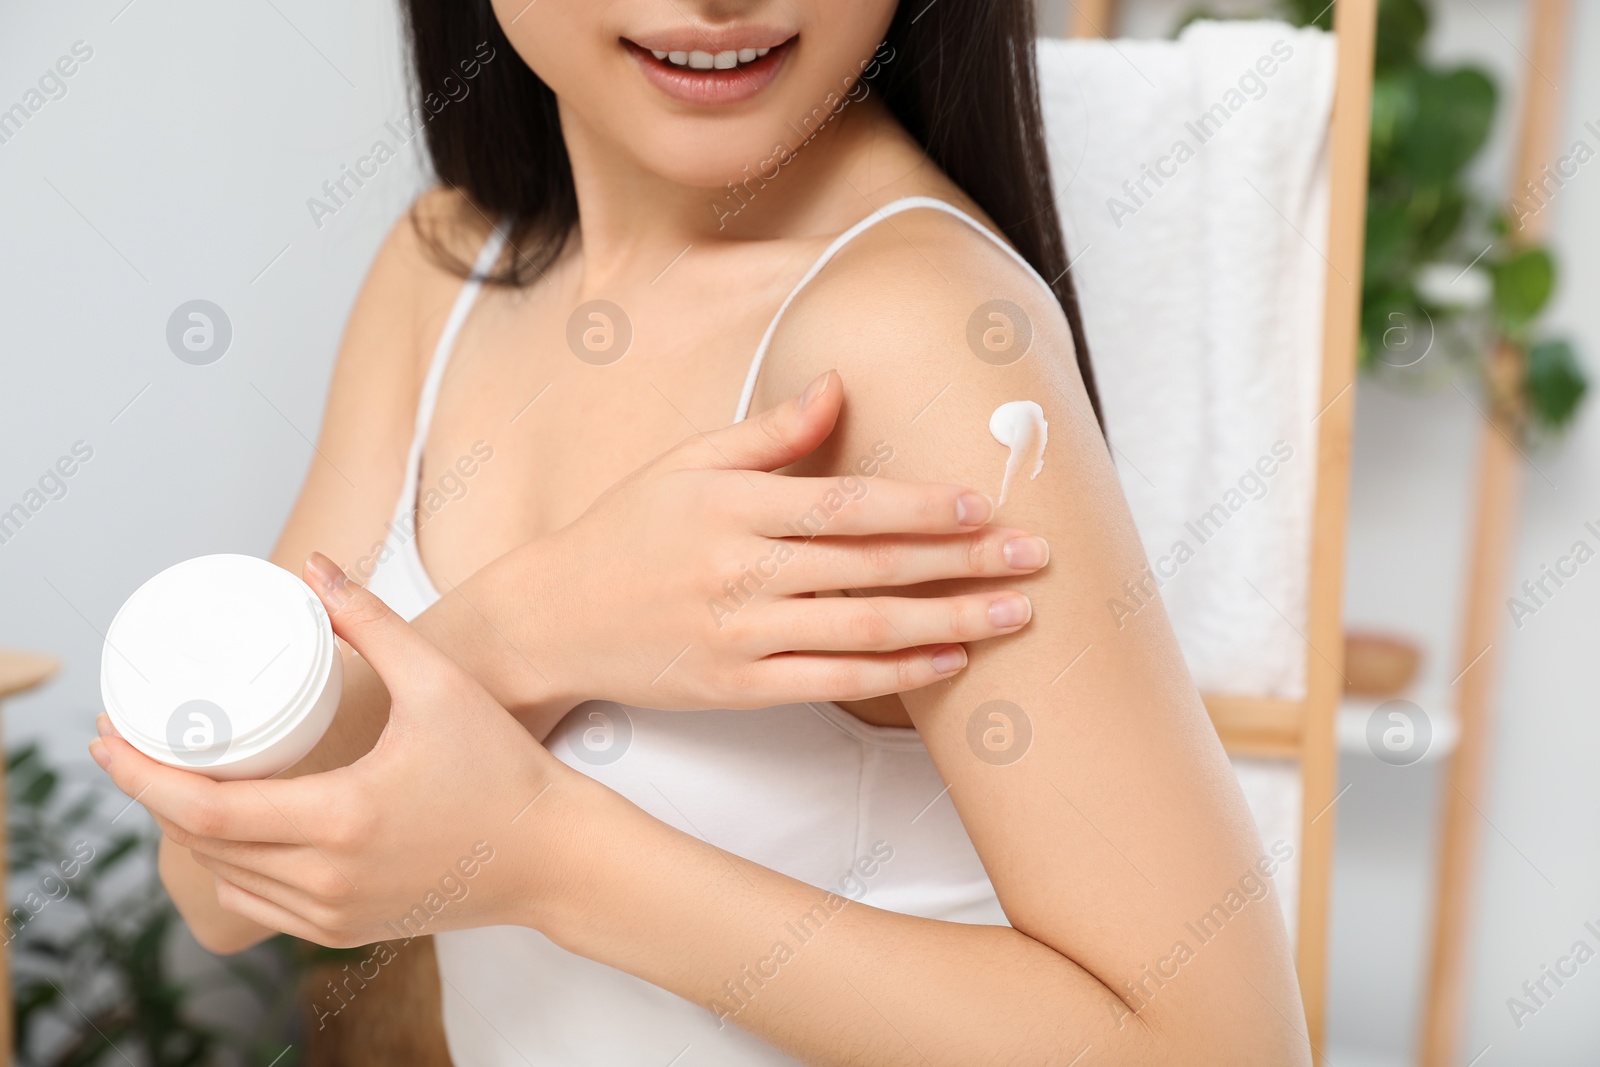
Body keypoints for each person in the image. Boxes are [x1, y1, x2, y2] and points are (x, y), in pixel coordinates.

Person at [91, 0, 1310, 1062]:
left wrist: (550, 856)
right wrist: (534, 624)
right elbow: (213, 883)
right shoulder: (447, 272)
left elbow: (1215, 1047)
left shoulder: (912, 335)